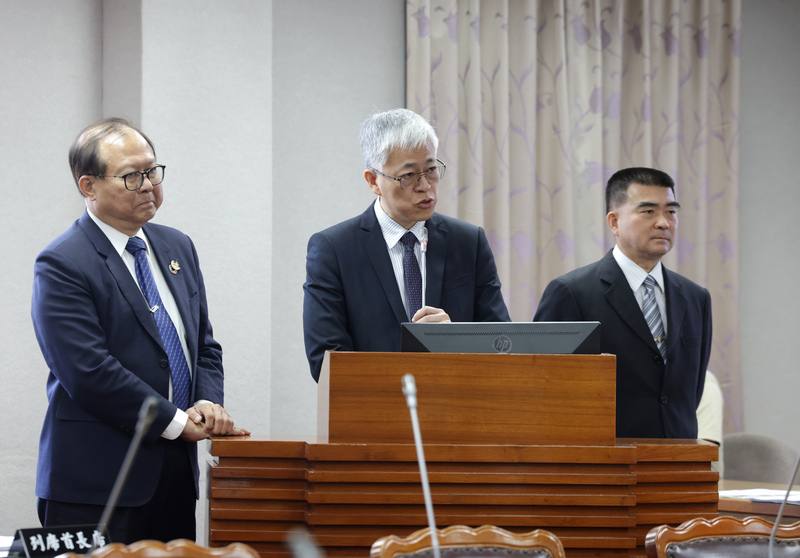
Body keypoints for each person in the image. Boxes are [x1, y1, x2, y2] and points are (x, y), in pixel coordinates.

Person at [31, 118, 248, 543]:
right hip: (95, 482)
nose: (149, 184)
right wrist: (174, 420)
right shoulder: (62, 263)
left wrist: (205, 401)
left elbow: (202, 344)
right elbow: (88, 371)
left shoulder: (176, 246)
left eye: (153, 171)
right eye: (132, 176)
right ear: (88, 186)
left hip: (173, 475)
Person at [303, 108, 510, 382]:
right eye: (409, 176)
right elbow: (326, 361)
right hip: (371, 416)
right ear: (373, 181)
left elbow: (504, 345)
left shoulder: (468, 243)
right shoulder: (334, 250)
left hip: (457, 411)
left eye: (432, 169)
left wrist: (458, 340)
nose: (426, 186)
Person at [533, 167, 712, 438]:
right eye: (649, 211)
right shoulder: (571, 293)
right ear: (614, 222)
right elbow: (546, 391)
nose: (663, 222)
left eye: (671, 211)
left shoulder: (696, 298)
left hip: (679, 461)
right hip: (604, 462)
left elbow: (690, 393)